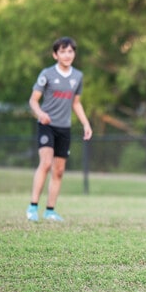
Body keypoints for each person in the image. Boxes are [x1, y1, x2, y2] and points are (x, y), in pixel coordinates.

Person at [25, 37, 92, 222]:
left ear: (74, 54)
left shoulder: (77, 76)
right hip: (47, 125)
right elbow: (33, 100)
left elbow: (76, 103)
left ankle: (50, 211)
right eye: (63, 51)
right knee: (46, 163)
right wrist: (40, 114)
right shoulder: (46, 74)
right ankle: (32, 207)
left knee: (59, 170)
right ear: (55, 55)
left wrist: (86, 124)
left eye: (70, 51)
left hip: (65, 128)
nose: (67, 55)